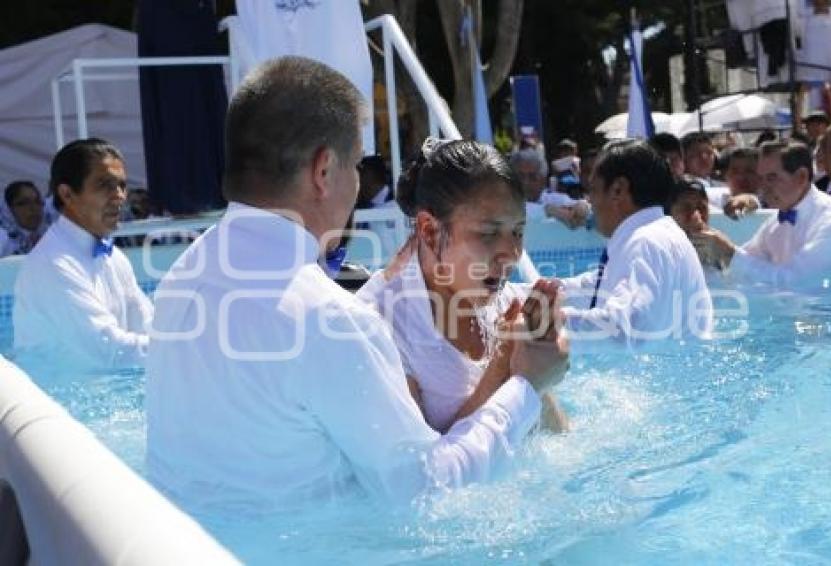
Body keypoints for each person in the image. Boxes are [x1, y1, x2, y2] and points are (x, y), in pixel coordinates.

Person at [145, 56, 569, 507]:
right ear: (324, 171)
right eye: (355, 168)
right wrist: (525, 384)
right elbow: (425, 494)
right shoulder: (332, 318)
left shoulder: (184, 271)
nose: (357, 186)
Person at [357, 139, 570, 435]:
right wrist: (508, 367)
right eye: (489, 233)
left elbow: (559, 437)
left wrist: (538, 361)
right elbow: (426, 472)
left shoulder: (502, 300)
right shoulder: (383, 327)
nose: (511, 253)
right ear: (430, 231)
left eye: (517, 232)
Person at [13, 139, 153, 373]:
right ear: (67, 194)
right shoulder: (53, 265)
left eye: (121, 185)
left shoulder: (115, 257)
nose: (119, 195)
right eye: (104, 185)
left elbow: (148, 323)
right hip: (52, 404)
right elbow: (109, 350)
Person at [558, 139, 713, 350]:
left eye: (592, 189)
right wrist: (524, 295)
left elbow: (623, 328)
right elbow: (591, 286)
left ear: (618, 190)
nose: (589, 201)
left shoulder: (646, 242)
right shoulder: (656, 234)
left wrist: (548, 321)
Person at [692, 141, 831, 287]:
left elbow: (792, 282)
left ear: (801, 177)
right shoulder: (776, 221)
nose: (763, 187)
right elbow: (746, 262)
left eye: (772, 178)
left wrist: (728, 254)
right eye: (761, 178)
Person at [0, 181, 51, 257]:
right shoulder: (3, 240)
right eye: (23, 203)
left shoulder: (48, 238)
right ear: (8, 210)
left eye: (37, 202)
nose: (33, 208)